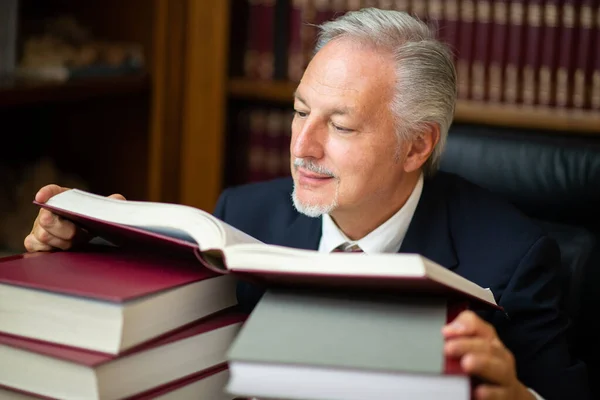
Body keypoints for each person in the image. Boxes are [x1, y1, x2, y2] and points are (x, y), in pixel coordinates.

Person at [24, 8, 588, 400]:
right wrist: (94, 253)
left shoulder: (511, 257)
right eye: (299, 112)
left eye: (339, 125)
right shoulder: (243, 216)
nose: (302, 147)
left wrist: (512, 393)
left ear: (416, 145)